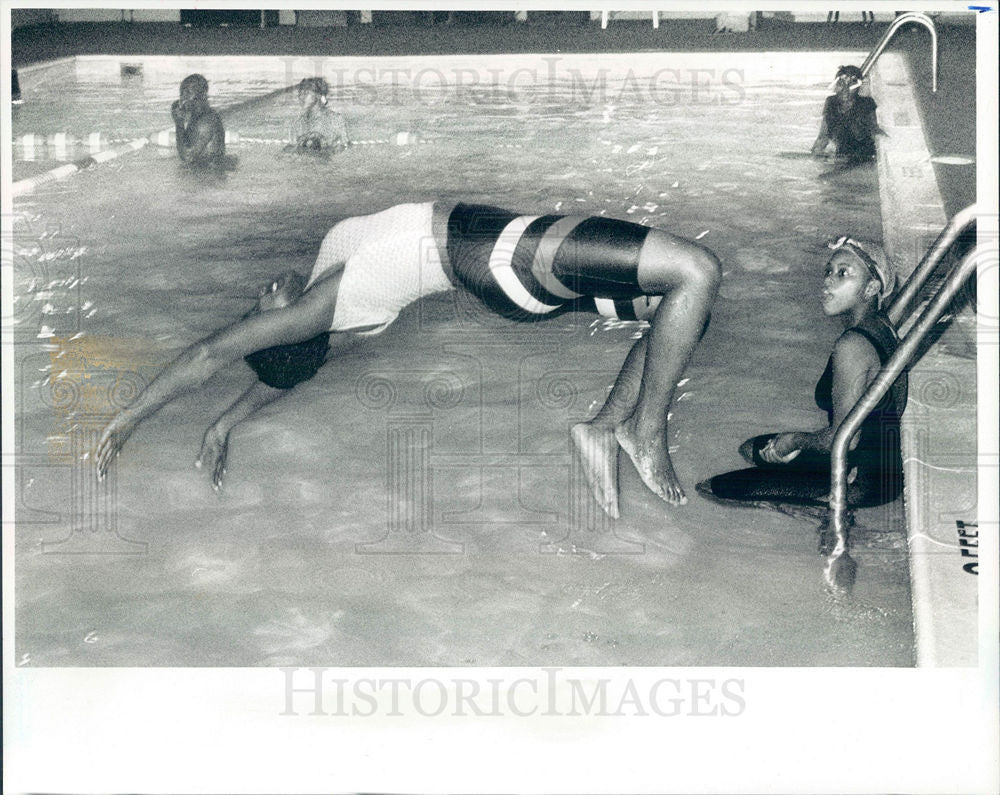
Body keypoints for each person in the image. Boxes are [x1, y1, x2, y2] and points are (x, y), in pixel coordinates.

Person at [96, 201, 721, 517]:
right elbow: (210, 354)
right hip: (500, 254)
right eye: (260, 313)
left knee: (679, 314)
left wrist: (227, 421)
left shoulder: (340, 326)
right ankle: (643, 429)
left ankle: (605, 425)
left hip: (505, 279)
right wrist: (129, 417)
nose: (260, 299)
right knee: (696, 270)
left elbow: (288, 375)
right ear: (280, 328)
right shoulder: (317, 309)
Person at [696, 237, 906, 515]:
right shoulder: (882, 324)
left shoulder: (852, 346)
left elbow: (845, 440)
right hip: (882, 463)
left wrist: (794, 440)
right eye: (829, 271)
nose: (828, 281)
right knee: (751, 450)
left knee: (714, 489)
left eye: (843, 273)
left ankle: (817, 513)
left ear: (871, 288)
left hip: (860, 478)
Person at [811, 65, 883, 162]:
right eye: (841, 84)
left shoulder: (866, 103)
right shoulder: (831, 102)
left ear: (859, 87)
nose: (845, 89)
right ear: (836, 85)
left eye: (850, 85)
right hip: (841, 154)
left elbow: (874, 130)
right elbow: (824, 134)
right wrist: (815, 152)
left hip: (863, 155)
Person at [171, 73, 226, 166]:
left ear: (203, 95)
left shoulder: (207, 121)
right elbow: (188, 143)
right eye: (182, 93)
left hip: (210, 177)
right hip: (206, 173)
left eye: (188, 92)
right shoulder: (196, 115)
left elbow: (187, 156)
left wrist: (179, 122)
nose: (183, 98)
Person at [287, 77, 349, 153]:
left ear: (319, 95)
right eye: (300, 93)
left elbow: (347, 146)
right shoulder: (297, 123)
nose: (301, 97)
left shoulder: (335, 119)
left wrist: (324, 142)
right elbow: (290, 147)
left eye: (306, 93)